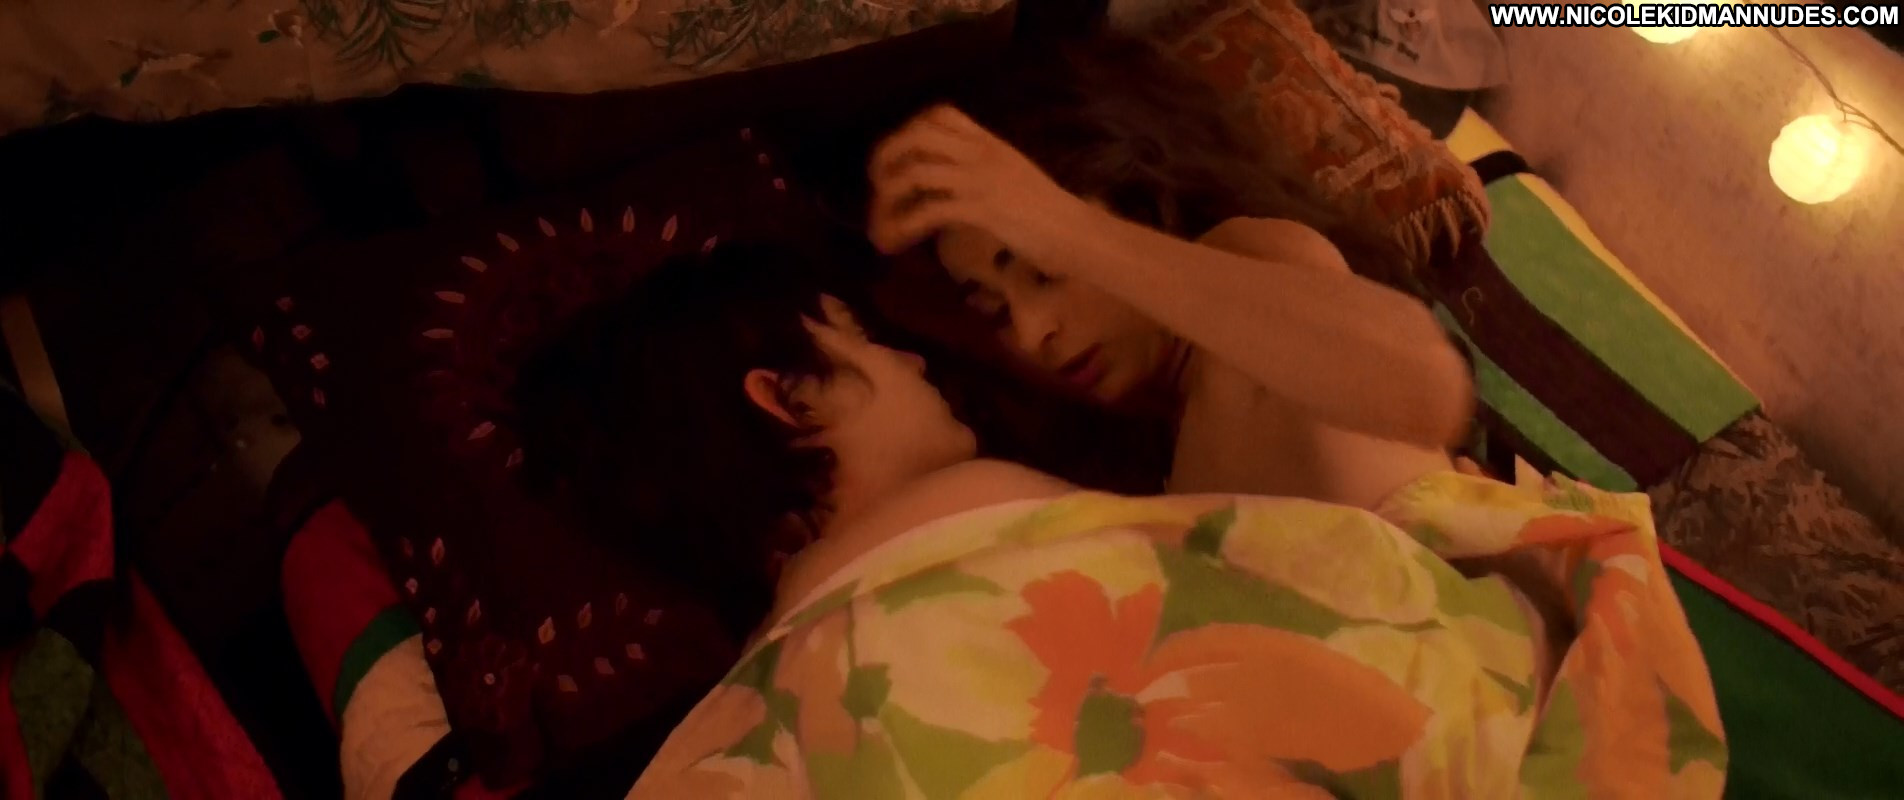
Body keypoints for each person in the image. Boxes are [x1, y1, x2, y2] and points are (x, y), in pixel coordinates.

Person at [587, 243, 1726, 798]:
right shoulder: (954, 526)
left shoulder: (728, 728)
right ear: (784, 394)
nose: (919, 358)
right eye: (866, 343)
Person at [864, 33, 1475, 511]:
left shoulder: (1248, 262)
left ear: (1141, 205)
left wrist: (1066, 230)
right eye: (994, 310)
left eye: (1045, 272)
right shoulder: (1159, 434)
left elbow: (1426, 386)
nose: (1030, 333)